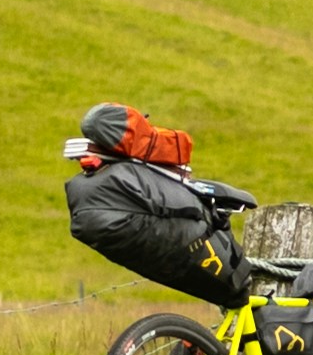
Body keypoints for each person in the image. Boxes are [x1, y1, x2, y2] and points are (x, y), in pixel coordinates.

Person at [63, 102, 257, 302]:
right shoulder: (123, 176)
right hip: (179, 224)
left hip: (119, 221)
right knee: (237, 284)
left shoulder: (100, 182)